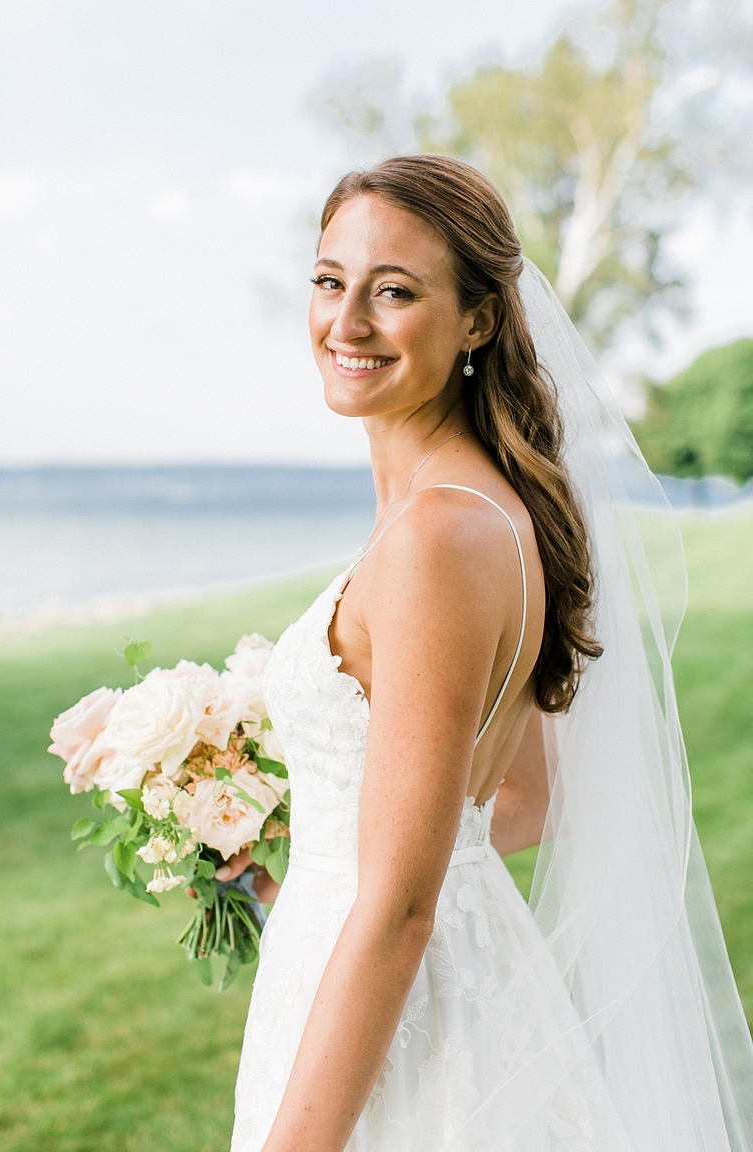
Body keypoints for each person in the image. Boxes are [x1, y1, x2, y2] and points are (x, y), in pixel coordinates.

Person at [225, 155, 753, 1152]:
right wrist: (306, 868)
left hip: (409, 1029)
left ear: (477, 319)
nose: (348, 323)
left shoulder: (437, 536)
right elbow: (523, 796)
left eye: (395, 292)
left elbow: (404, 906)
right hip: (398, 981)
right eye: (331, 282)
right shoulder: (466, 511)